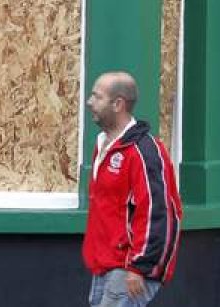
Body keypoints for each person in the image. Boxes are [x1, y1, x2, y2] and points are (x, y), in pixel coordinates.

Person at [83, 71, 182, 307]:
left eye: (97, 97)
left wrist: (139, 267)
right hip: (105, 264)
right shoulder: (103, 145)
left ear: (118, 104)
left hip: (129, 268)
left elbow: (159, 212)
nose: (89, 103)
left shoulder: (144, 151)